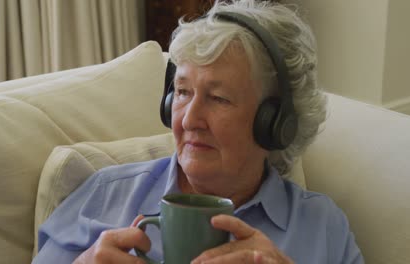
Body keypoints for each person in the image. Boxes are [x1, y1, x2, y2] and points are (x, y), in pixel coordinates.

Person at [33, 0, 364, 263]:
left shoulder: (322, 226)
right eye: (182, 92)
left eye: (218, 98)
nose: (190, 120)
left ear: (274, 124)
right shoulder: (105, 196)